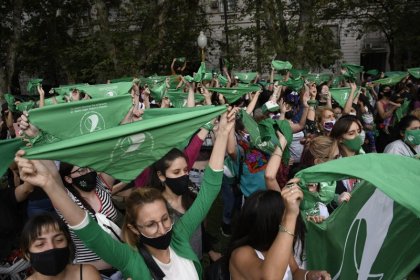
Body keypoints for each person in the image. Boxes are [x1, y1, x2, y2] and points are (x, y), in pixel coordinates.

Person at [15, 108, 236, 279]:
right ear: (133, 228)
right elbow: (86, 227)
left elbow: (210, 188)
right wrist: (48, 183)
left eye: (165, 219)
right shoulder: (130, 260)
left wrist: (224, 132)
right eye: (150, 224)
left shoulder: (179, 235)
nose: (162, 229)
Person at [227, 186, 331, 280]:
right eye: (284, 215)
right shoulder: (240, 254)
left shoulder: (279, 244)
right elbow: (270, 277)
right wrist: (290, 216)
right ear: (273, 223)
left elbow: (294, 271)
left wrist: (309, 275)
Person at [21, 212, 100, 279]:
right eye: (40, 244)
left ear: (68, 244)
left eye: (59, 240)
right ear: (27, 254)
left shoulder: (87, 274)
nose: (52, 247)